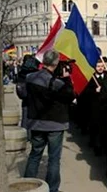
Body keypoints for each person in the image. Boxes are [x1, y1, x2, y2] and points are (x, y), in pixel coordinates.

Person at [23, 50, 75, 192]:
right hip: (55, 124)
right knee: (53, 158)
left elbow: (23, 93)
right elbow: (70, 96)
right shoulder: (57, 83)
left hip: (36, 123)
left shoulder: (30, 77)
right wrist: (67, 79)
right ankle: (52, 188)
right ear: (56, 63)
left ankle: (27, 185)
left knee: (35, 154)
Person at [79, 59, 107, 156]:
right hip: (94, 105)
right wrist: (94, 91)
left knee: (104, 127)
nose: (100, 68)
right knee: (95, 126)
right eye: (98, 66)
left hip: (105, 106)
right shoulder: (90, 78)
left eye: (102, 66)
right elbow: (84, 92)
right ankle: (96, 144)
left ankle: (103, 144)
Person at [16, 54, 41, 140]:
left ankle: (25, 135)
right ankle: (32, 136)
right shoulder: (35, 72)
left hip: (25, 96)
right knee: (34, 117)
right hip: (34, 98)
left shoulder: (22, 71)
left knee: (25, 116)